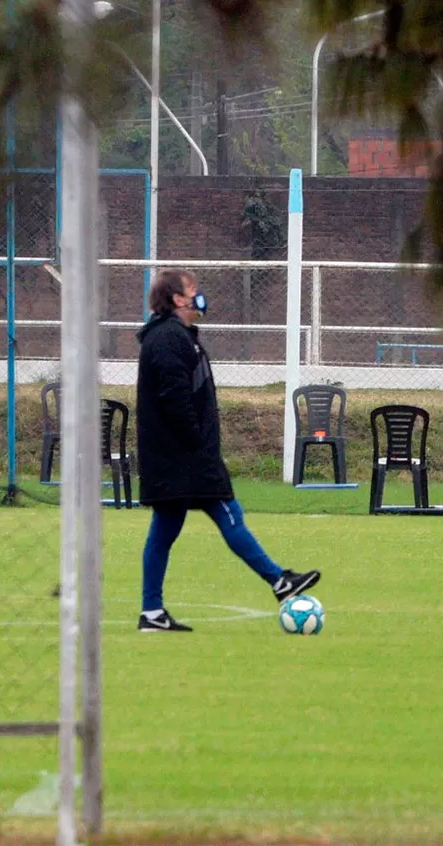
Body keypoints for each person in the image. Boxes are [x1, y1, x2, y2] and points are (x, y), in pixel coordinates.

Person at [134, 268, 321, 632]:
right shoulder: (171, 339)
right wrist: (197, 445)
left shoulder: (176, 336)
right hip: (185, 458)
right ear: (178, 299)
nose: (200, 295)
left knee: (164, 530)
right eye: (193, 290)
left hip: (172, 457)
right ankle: (280, 582)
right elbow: (175, 400)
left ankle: (152, 613)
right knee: (227, 512)